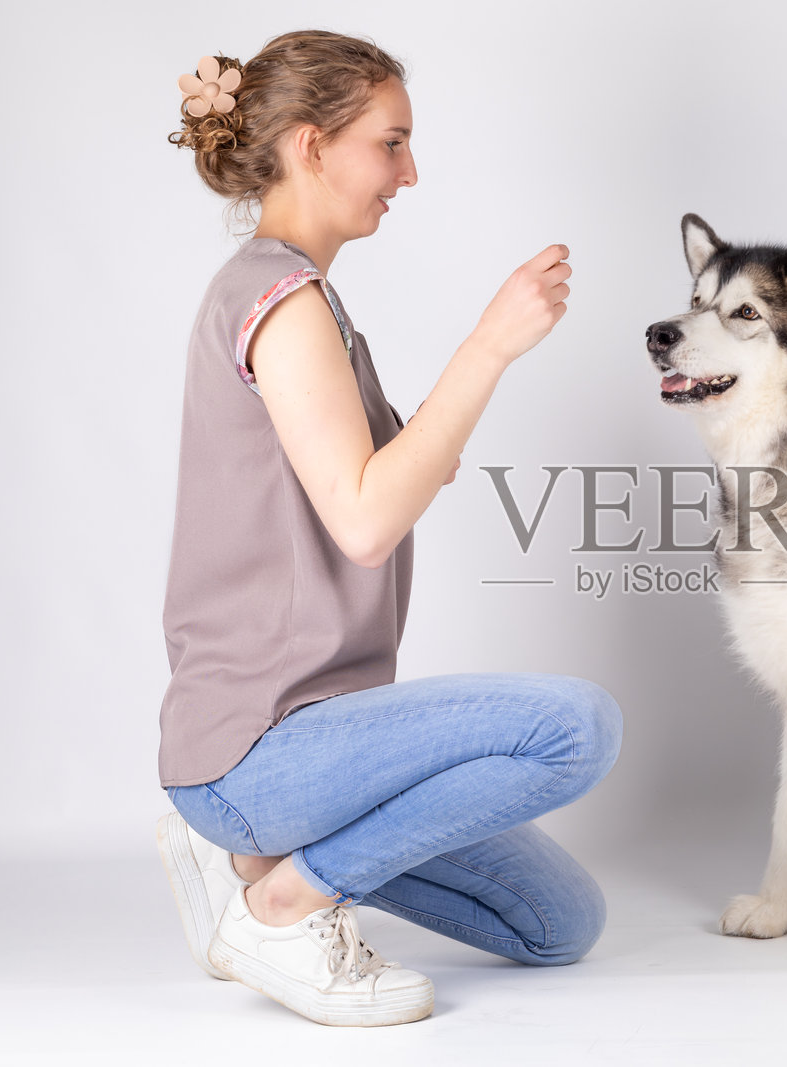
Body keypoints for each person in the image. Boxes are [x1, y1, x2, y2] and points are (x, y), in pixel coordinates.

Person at [157, 30, 622, 1027]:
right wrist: (489, 342)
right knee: (575, 726)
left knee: (558, 923)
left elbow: (412, 470)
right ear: (308, 144)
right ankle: (283, 899)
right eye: (391, 143)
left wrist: (465, 384)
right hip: (264, 743)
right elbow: (368, 520)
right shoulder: (277, 301)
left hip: (311, 740)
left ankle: (245, 858)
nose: (409, 173)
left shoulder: (308, 297)